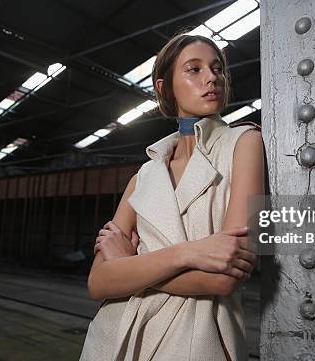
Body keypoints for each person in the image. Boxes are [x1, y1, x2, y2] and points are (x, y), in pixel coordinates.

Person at [79, 33, 265, 361]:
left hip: (197, 342)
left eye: (218, 69)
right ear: (165, 88)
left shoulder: (245, 142)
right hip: (117, 339)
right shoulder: (144, 176)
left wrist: (128, 266)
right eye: (194, 69)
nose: (212, 77)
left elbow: (224, 278)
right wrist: (187, 254)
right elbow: (98, 282)